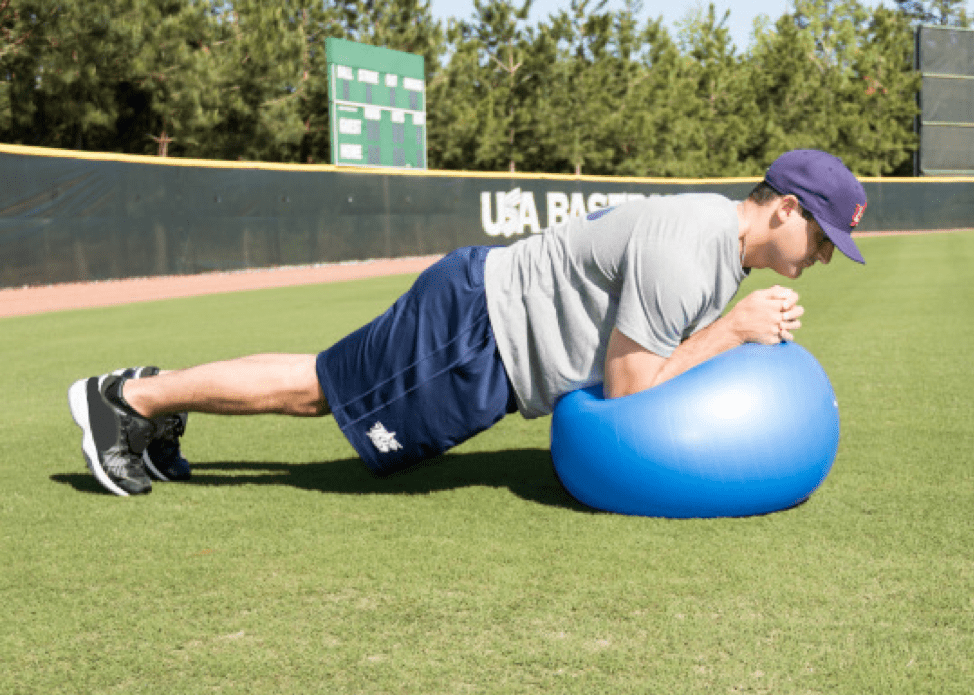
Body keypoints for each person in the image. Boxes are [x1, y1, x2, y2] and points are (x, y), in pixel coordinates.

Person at [67, 149, 868, 497]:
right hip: (475, 330)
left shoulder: (718, 249)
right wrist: (732, 332)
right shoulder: (695, 247)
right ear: (787, 209)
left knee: (324, 386)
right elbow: (630, 389)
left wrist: (731, 322)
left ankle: (151, 400)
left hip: (488, 339)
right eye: (824, 238)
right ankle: (130, 400)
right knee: (320, 389)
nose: (827, 256)